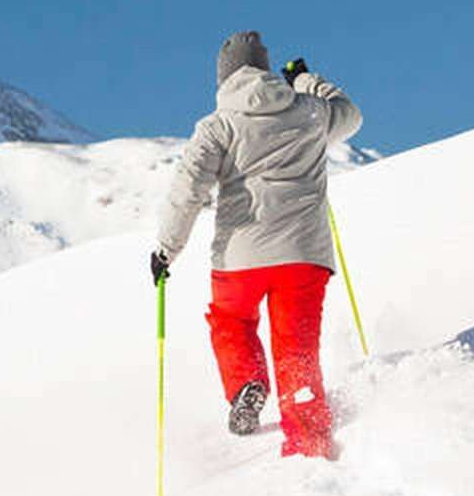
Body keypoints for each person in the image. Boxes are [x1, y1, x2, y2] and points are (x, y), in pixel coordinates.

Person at [150, 30, 362, 456]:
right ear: (266, 70)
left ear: (223, 79)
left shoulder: (217, 126)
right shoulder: (308, 111)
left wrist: (166, 250)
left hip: (238, 258)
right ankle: (308, 442)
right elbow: (351, 115)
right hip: (304, 255)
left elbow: (188, 189)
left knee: (231, 321)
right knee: (296, 347)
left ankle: (246, 381)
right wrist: (304, 80)